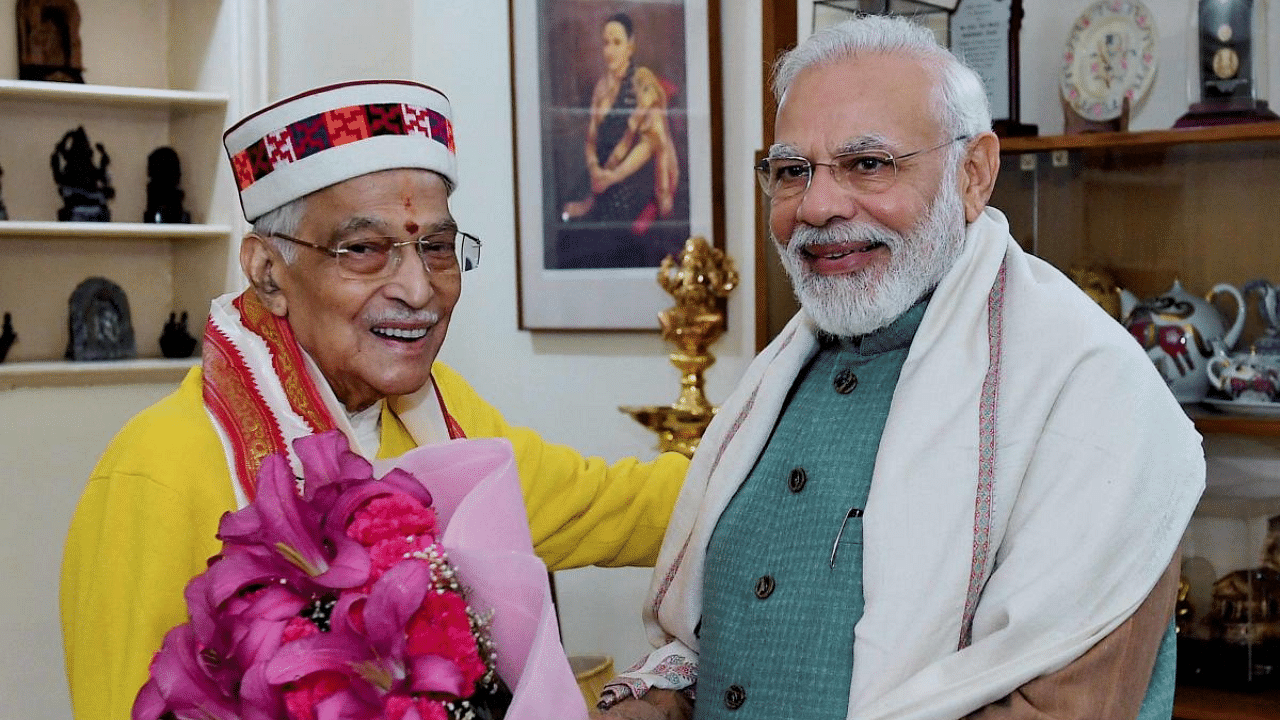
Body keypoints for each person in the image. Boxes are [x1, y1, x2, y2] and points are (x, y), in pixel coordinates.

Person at [598, 15, 1205, 720]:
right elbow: (708, 643)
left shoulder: (1094, 398)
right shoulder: (775, 376)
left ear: (973, 174)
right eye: (793, 171)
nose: (818, 207)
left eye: (868, 164)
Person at [59, 79, 689, 720]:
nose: (418, 290)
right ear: (268, 274)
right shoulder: (160, 469)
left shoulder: (440, 419)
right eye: (362, 250)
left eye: (437, 249)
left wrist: (778, 459)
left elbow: (614, 507)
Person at [556, 12, 684, 269]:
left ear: (630, 45)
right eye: (605, 43)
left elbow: (650, 145)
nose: (609, 50)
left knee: (604, 239)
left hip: (633, 183)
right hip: (599, 181)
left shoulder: (642, 83)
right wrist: (594, 169)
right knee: (566, 232)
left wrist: (612, 177)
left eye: (616, 42)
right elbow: (591, 139)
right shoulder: (601, 88)